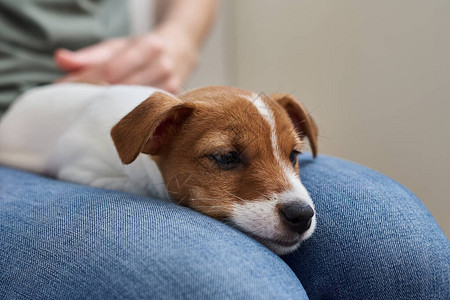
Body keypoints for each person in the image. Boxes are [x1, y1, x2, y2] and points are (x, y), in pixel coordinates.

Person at [0, 1, 448, 299]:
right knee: (231, 286)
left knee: (402, 253)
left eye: (292, 155)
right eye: (228, 158)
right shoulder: (115, 141)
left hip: (121, 82)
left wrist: (177, 40)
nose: (297, 201)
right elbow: (85, 165)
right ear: (153, 138)